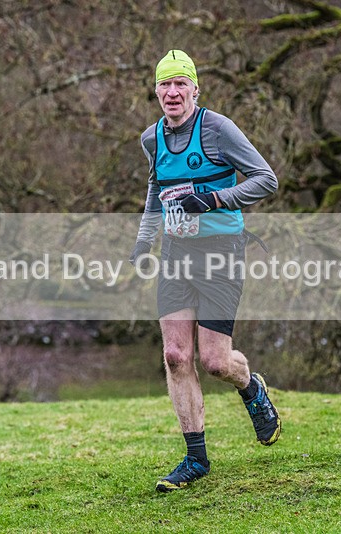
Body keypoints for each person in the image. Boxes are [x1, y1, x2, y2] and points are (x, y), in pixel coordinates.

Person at [129, 49, 281, 492]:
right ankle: (196, 459)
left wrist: (215, 199)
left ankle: (251, 387)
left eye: (181, 83)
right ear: (156, 90)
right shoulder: (151, 139)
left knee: (215, 361)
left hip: (221, 252)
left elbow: (265, 178)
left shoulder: (217, 129)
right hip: (176, 254)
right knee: (176, 356)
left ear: (195, 88)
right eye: (164, 84)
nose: (172, 92)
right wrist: (144, 240)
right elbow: (156, 190)